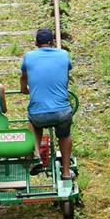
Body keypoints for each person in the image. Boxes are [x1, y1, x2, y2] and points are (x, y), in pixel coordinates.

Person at [20, 28, 75, 179]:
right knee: (65, 135)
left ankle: (37, 154)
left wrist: (24, 89)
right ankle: (65, 172)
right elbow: (65, 73)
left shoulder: (29, 56)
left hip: (39, 114)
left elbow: (23, 78)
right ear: (52, 42)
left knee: (33, 122)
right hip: (62, 112)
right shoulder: (63, 55)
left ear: (36, 43)